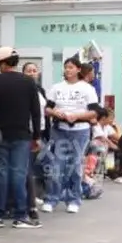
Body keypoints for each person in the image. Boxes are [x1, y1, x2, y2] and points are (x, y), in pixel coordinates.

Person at [0, 47, 42, 229]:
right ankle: (21, 215)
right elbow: (36, 112)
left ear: (3, 63)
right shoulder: (28, 82)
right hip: (22, 136)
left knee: (1, 175)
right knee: (19, 174)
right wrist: (37, 137)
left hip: (0, 136)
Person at [42, 57, 99, 213]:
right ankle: (52, 198)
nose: (68, 70)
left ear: (78, 69)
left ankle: (74, 199)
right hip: (59, 129)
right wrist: (55, 112)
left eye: (71, 67)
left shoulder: (87, 88)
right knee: (56, 165)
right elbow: (47, 109)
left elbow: (95, 112)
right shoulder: (56, 87)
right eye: (66, 67)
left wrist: (78, 116)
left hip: (80, 130)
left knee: (75, 165)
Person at [22, 61, 48, 214]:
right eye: (28, 71)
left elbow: (43, 112)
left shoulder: (40, 90)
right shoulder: (22, 89)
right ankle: (28, 200)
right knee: (27, 167)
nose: (32, 73)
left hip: (40, 132)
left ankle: (32, 196)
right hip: (28, 133)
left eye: (34, 70)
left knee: (34, 167)